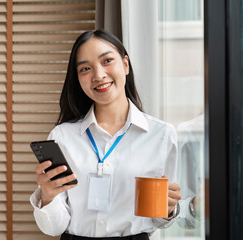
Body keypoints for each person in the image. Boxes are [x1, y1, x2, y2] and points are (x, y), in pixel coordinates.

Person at [30, 30, 181, 240]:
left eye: (107, 60)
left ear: (125, 64)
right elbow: (54, 228)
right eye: (85, 68)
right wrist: (47, 197)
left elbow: (160, 218)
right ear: (78, 78)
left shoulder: (161, 135)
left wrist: (169, 209)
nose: (99, 75)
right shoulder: (62, 136)